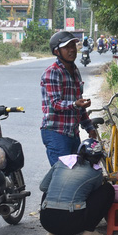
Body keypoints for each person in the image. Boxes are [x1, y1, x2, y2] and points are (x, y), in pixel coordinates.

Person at [39, 138, 115, 235]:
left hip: (46, 221)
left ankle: (53, 232)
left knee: (49, 189)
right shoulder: (95, 173)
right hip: (73, 224)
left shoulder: (61, 163)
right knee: (107, 189)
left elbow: (43, 187)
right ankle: (89, 231)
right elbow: (94, 194)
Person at [40, 30, 97, 166]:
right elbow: (55, 104)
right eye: (66, 47)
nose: (72, 50)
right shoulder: (52, 72)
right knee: (63, 177)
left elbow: (79, 104)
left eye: (73, 46)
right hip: (56, 133)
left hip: (73, 134)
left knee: (75, 176)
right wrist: (75, 104)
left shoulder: (75, 71)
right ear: (57, 52)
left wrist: (89, 127)